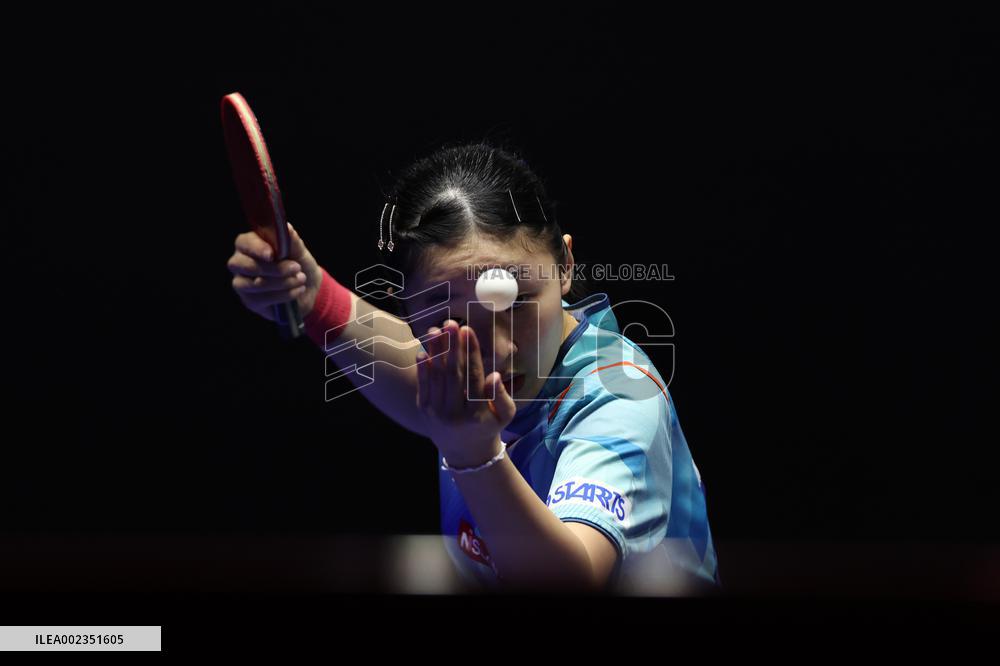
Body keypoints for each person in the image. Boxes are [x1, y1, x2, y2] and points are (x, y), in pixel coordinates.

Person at [227, 141, 721, 594]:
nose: (496, 352)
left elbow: (569, 583)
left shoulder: (619, 394)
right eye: (451, 318)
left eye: (518, 301)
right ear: (406, 306)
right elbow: (411, 374)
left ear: (566, 265)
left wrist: (473, 453)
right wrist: (314, 298)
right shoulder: (454, 365)